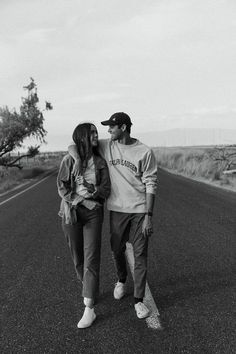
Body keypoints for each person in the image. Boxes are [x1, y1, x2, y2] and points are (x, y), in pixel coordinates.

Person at [68, 112, 158, 319]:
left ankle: (138, 301)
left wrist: (149, 215)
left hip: (139, 210)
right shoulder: (107, 145)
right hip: (117, 210)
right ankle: (121, 279)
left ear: (123, 128)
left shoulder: (144, 151)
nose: (108, 131)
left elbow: (151, 183)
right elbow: (74, 144)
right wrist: (74, 158)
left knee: (140, 255)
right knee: (116, 249)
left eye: (112, 127)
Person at [57, 123, 110, 329]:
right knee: (77, 257)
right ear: (81, 138)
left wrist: (93, 191)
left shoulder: (99, 161)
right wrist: (81, 200)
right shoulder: (69, 160)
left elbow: (106, 188)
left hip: (94, 213)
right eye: (92, 134)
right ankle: (88, 286)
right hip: (71, 212)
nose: (96, 136)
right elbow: (62, 187)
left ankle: (89, 307)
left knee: (91, 258)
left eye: (97, 132)